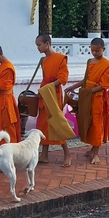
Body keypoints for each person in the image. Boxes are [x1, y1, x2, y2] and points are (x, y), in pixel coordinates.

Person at [66, 38, 109, 165]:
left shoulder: (107, 64)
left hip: (98, 98)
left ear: (103, 49)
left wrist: (89, 91)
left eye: (97, 51)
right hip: (86, 96)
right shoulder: (90, 62)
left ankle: (96, 153)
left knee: (97, 123)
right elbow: (85, 79)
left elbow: (105, 85)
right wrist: (73, 87)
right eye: (92, 50)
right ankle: (92, 148)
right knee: (87, 121)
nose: (94, 53)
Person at [35, 34, 72, 167]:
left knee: (56, 123)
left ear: (47, 44)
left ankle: (67, 153)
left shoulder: (60, 58)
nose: (38, 48)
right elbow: (45, 78)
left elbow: (62, 79)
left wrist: (47, 88)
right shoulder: (44, 60)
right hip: (45, 93)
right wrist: (42, 91)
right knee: (43, 124)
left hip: (54, 94)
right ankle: (44, 154)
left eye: (39, 45)